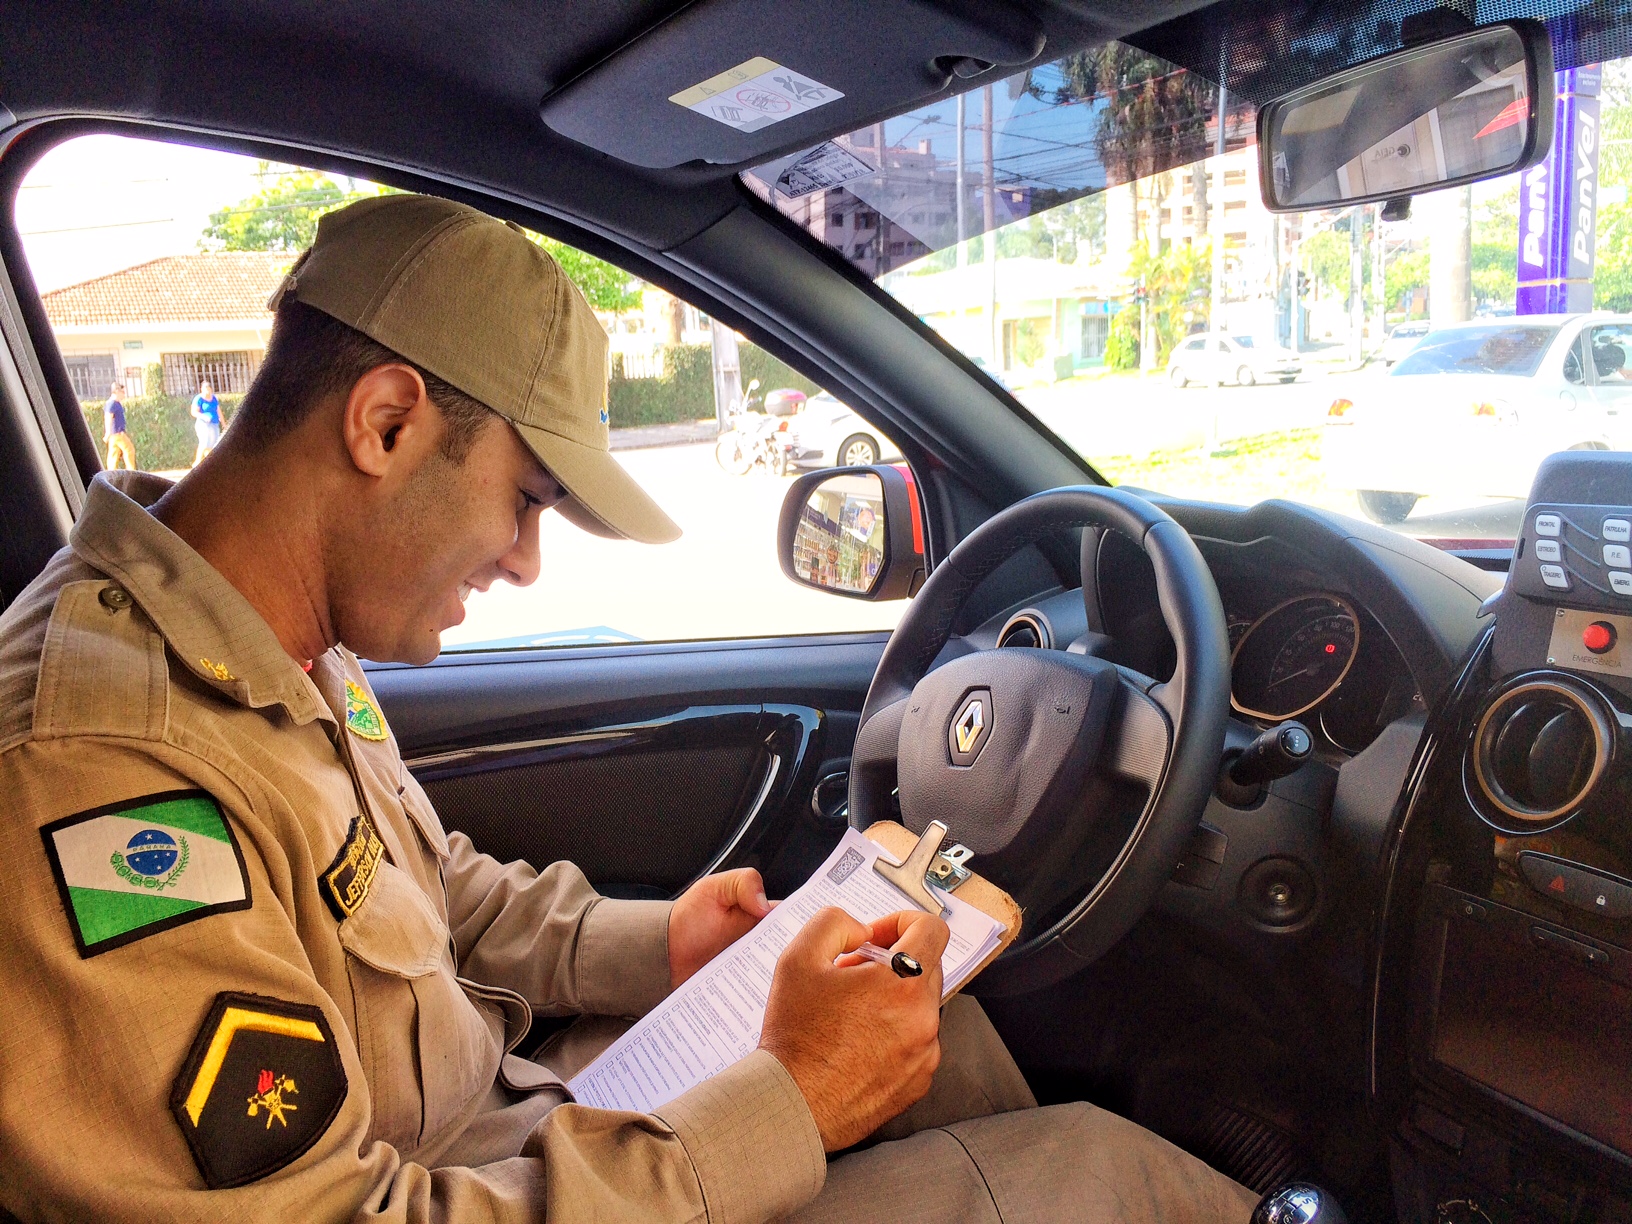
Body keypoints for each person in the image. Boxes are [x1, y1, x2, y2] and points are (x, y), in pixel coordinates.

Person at [0, 195, 1256, 1222]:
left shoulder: (267, 633)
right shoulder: (97, 768)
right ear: (385, 424)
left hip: (499, 1124)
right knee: (1106, 1176)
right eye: (527, 499)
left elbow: (431, 891)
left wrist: (665, 947)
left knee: (941, 1037)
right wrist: (789, 1103)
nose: (525, 561)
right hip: (446, 1184)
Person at [103, 379, 137, 470]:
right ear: (117, 391)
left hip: (114, 435)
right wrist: (108, 432)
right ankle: (131, 471)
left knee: (114, 454)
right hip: (117, 433)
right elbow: (108, 417)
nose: (124, 394)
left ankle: (111, 472)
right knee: (129, 450)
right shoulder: (112, 404)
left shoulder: (115, 403)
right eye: (122, 392)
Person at [190, 378, 222, 466]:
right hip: (203, 424)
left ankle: (209, 464)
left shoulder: (214, 398)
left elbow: (219, 411)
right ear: (202, 389)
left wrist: (224, 423)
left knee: (213, 445)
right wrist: (203, 416)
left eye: (208, 388)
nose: (207, 390)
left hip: (214, 424)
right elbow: (193, 412)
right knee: (204, 442)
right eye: (205, 388)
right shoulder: (199, 399)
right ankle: (197, 462)